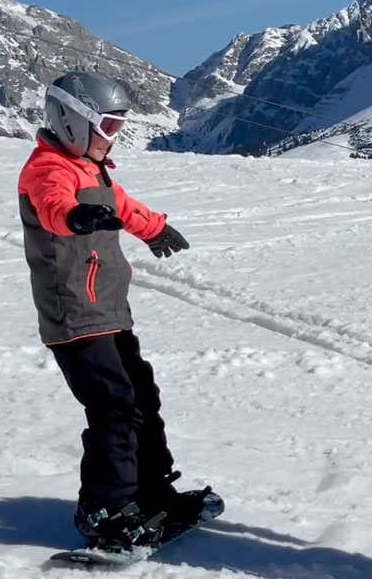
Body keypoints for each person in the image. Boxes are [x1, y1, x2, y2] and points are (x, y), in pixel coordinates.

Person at [17, 70, 222, 550]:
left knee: (141, 396)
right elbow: (53, 205)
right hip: (74, 315)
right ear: (73, 122)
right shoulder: (48, 169)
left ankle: (151, 492)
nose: (114, 138)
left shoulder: (93, 170)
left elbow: (122, 206)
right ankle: (104, 509)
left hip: (108, 309)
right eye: (108, 127)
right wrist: (74, 216)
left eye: (119, 128)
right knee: (113, 406)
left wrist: (154, 229)